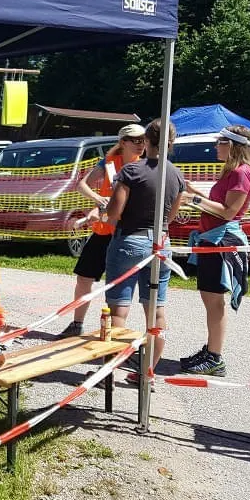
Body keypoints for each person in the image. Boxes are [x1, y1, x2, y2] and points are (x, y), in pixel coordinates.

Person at [104, 119, 185, 382]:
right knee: (156, 310)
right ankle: (148, 371)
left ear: (147, 141)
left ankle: (110, 371)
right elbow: (171, 216)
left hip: (130, 240)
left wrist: (108, 208)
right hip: (160, 243)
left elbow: (114, 212)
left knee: (119, 310)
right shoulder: (176, 174)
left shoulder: (131, 171)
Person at [179, 125, 250, 376]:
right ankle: (211, 350)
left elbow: (228, 212)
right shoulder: (232, 172)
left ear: (231, 145)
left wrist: (193, 199)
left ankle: (215, 357)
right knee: (209, 297)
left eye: (219, 142)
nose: (215, 147)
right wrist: (196, 192)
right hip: (211, 239)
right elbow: (220, 204)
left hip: (220, 241)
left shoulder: (241, 173)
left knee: (214, 301)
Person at [59, 124, 146, 337]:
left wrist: (102, 210)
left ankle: (120, 333)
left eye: (143, 140)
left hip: (125, 231)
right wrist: (98, 202)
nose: (141, 144)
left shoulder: (144, 165)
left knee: (121, 286)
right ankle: (77, 324)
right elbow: (82, 185)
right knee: (84, 277)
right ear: (123, 142)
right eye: (136, 140)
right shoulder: (108, 162)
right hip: (103, 229)